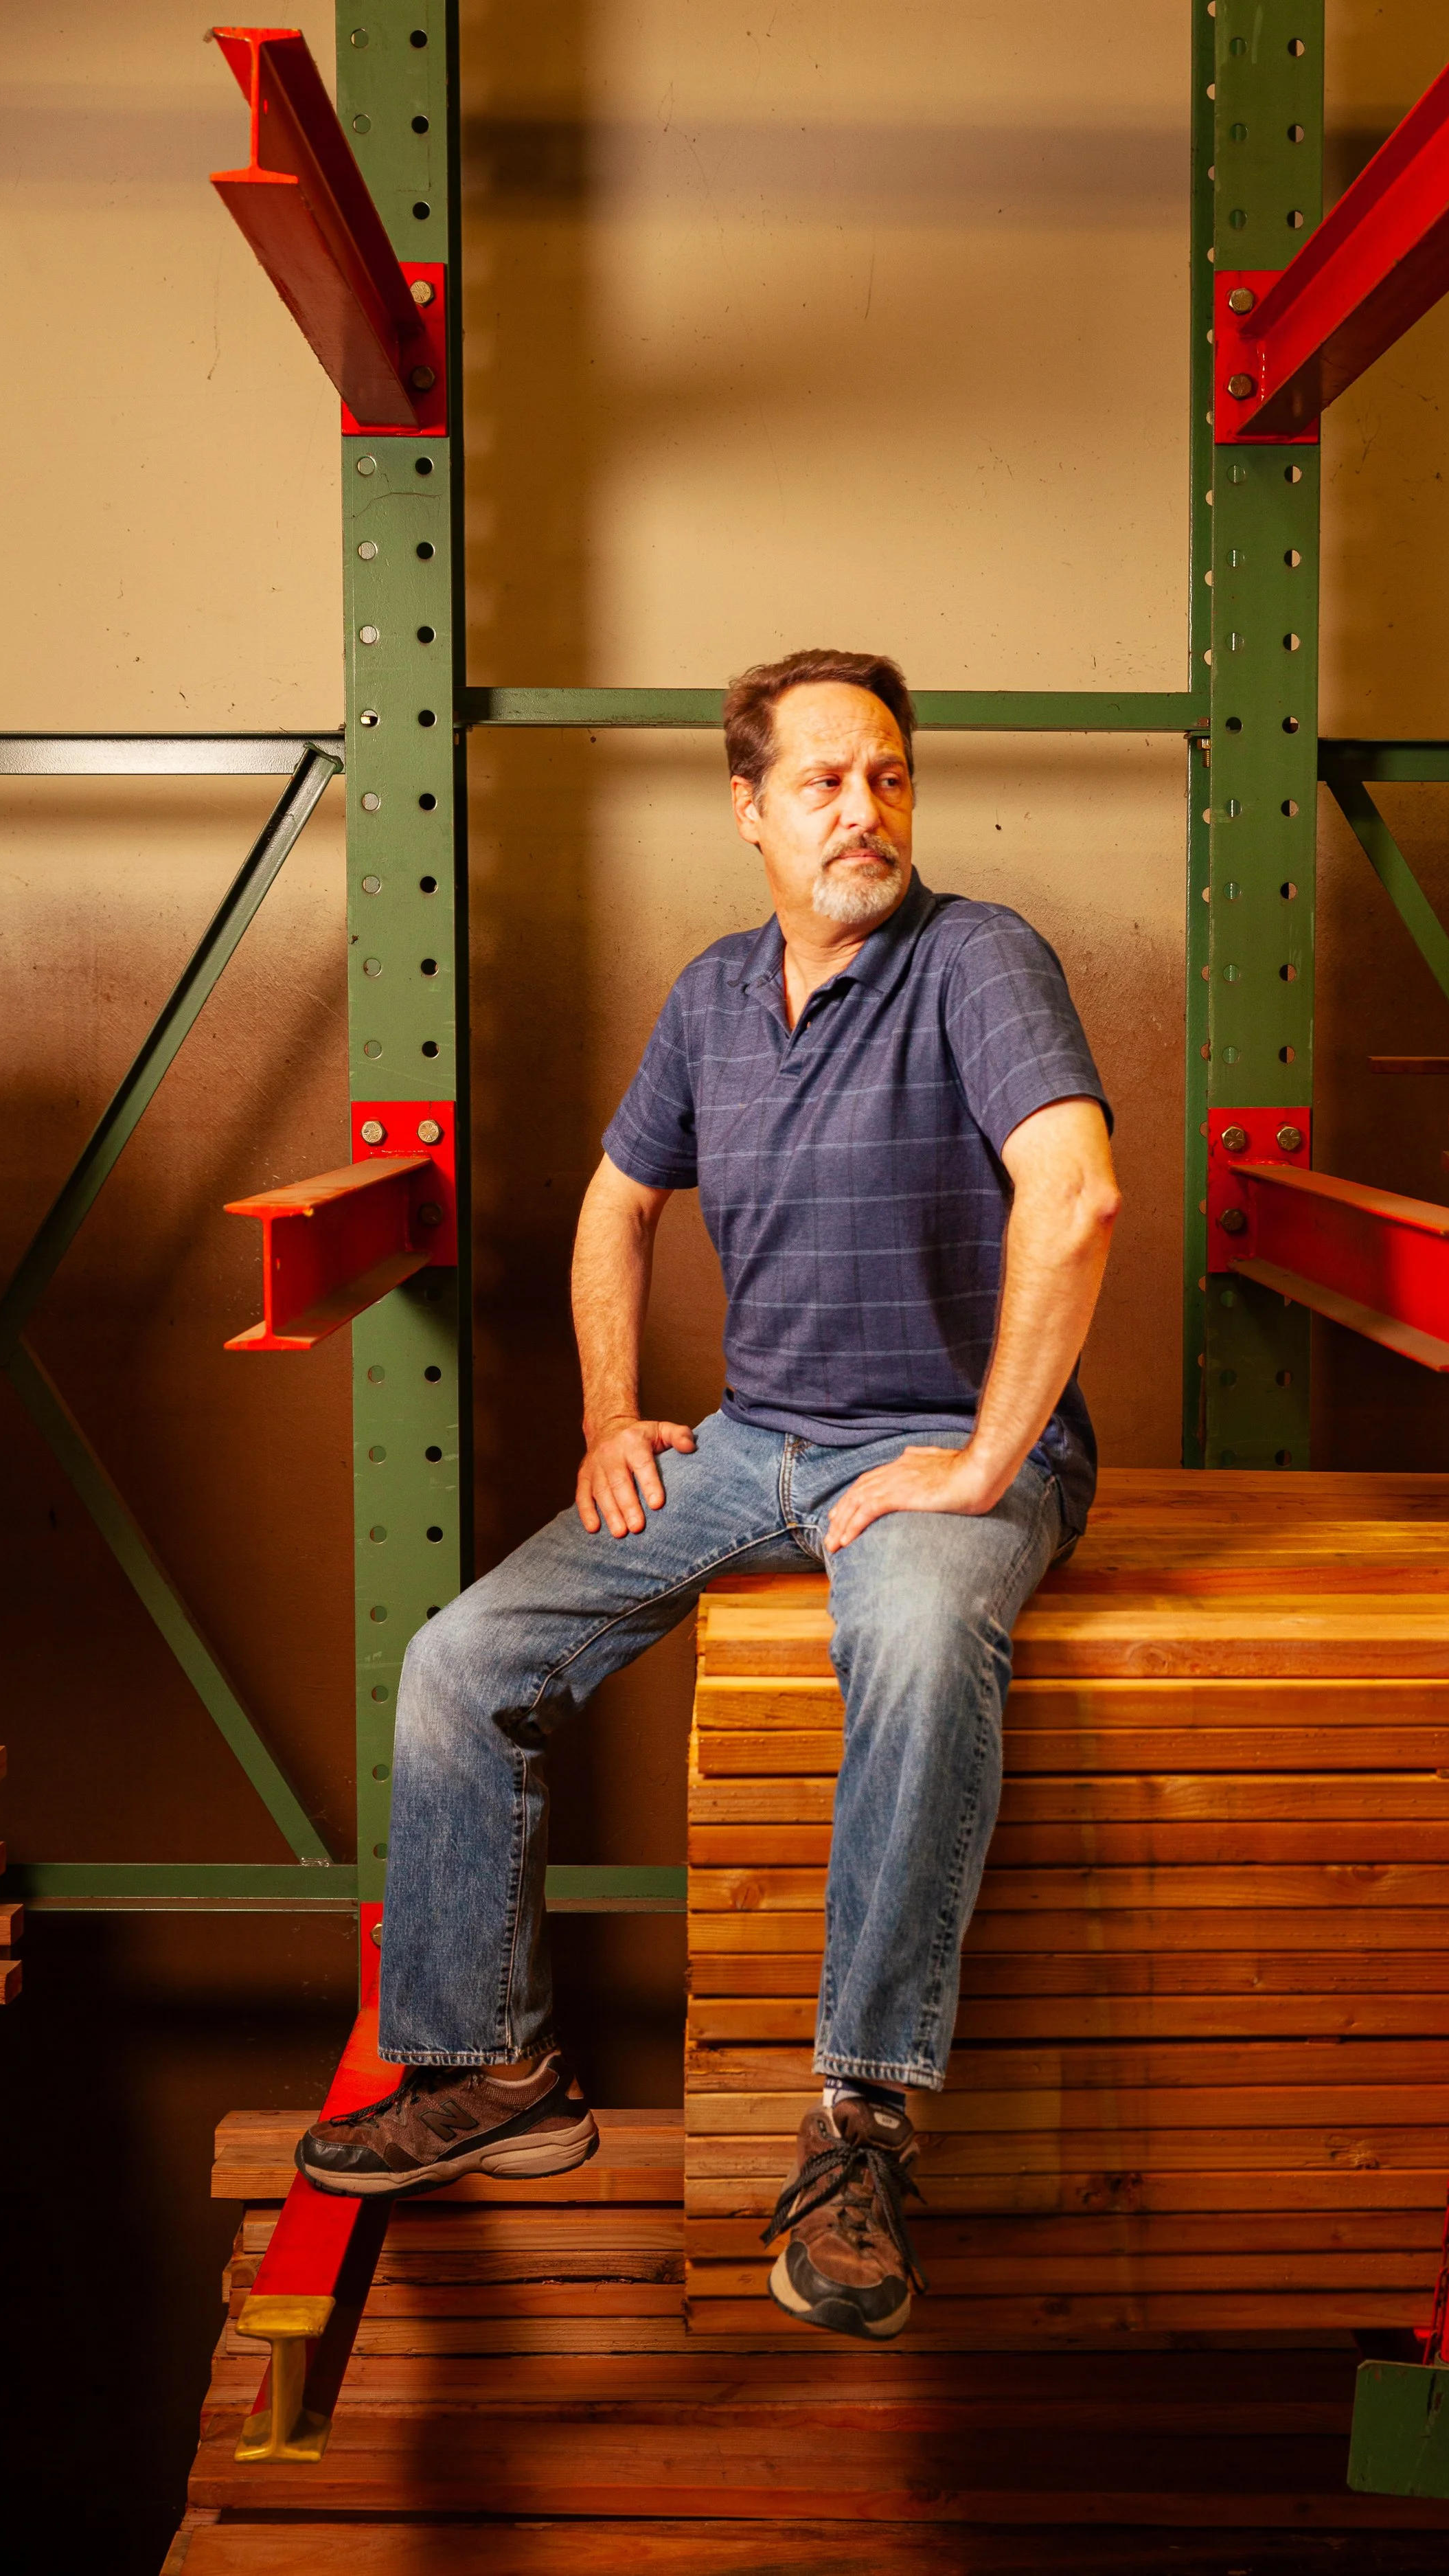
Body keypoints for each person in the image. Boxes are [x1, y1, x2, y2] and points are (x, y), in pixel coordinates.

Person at [297, 646, 1121, 2342]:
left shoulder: (979, 959)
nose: (862, 809)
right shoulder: (706, 1000)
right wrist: (613, 1414)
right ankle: (492, 2066)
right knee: (462, 1660)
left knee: (906, 1643)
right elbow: (613, 1209)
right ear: (747, 809)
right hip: (752, 1443)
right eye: (820, 781)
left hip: (947, 1443)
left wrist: (976, 1462)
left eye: (886, 774)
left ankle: (858, 2128)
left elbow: (1078, 1195)